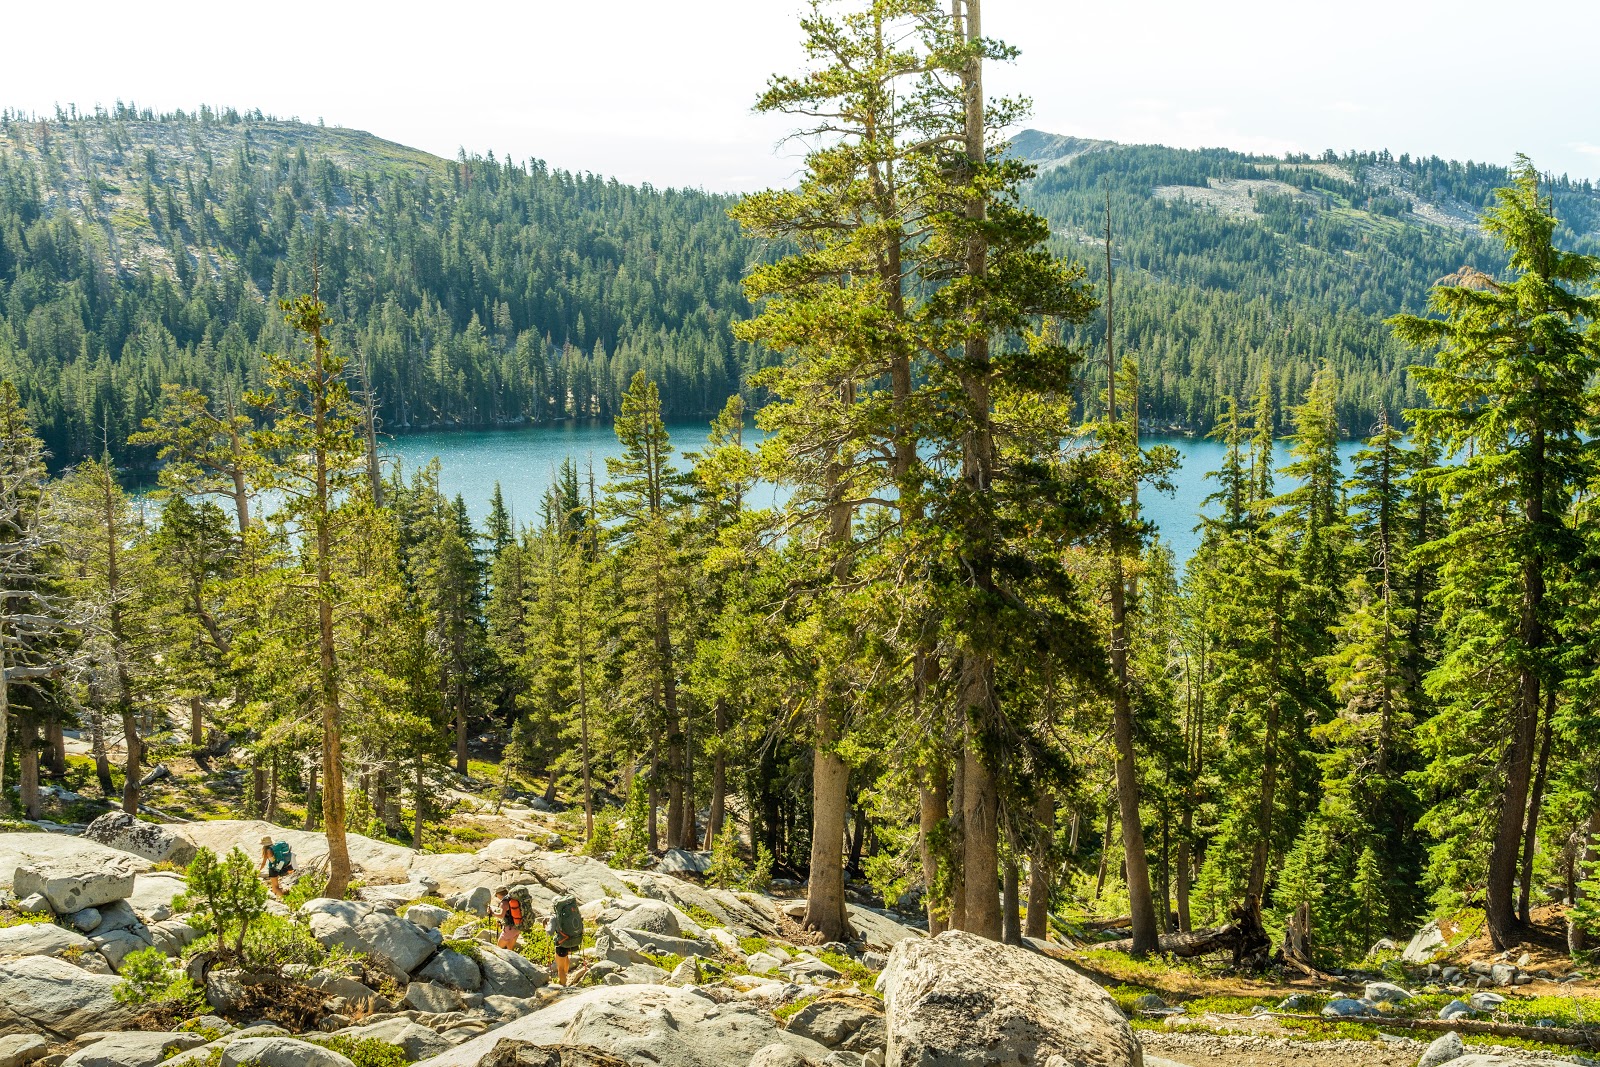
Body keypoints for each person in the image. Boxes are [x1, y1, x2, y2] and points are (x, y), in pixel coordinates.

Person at [549, 893, 584, 986]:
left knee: (559, 968)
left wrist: (546, 927)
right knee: (566, 957)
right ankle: (566, 974)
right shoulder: (570, 913)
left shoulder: (555, 916)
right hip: (573, 939)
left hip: (562, 943)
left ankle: (564, 985)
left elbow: (550, 931)